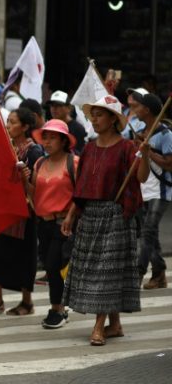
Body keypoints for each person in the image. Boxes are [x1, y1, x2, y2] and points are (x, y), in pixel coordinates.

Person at [61, 95, 149, 346]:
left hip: (116, 216)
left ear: (113, 119)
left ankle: (99, 326)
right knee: (99, 272)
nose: (95, 119)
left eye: (100, 114)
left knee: (105, 273)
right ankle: (116, 324)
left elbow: (141, 178)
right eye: (93, 114)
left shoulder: (127, 148)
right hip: (89, 216)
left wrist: (147, 154)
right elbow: (81, 186)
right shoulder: (88, 148)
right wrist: (71, 214)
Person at [0, 108, 43, 315]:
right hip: (3, 210)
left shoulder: (34, 151)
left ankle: (27, 302)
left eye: (13, 122)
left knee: (24, 257)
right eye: (7, 121)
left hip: (24, 214)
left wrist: (23, 177)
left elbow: (36, 184)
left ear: (25, 127)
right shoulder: (6, 146)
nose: (8, 126)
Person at [28, 119, 79, 328]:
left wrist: (70, 216)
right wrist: (24, 180)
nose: (47, 142)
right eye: (45, 137)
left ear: (63, 140)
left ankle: (56, 309)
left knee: (53, 265)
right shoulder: (40, 163)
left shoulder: (73, 162)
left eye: (53, 138)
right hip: (43, 223)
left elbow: (81, 192)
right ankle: (61, 307)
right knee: (52, 267)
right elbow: (33, 194)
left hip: (63, 223)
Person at [131, 93, 171, 289]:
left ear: (146, 110)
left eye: (138, 107)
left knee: (147, 232)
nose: (135, 110)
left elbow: (170, 164)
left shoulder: (166, 135)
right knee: (150, 233)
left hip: (161, 192)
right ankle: (160, 274)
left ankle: (138, 273)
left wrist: (149, 152)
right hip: (143, 188)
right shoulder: (140, 130)